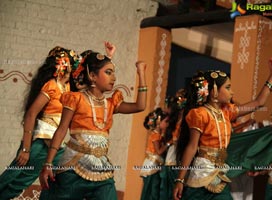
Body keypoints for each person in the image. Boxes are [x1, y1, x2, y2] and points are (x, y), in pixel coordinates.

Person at [39, 50, 147, 199]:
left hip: (101, 170)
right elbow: (62, 129)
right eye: (108, 72)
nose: (114, 78)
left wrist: (141, 74)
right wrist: (48, 164)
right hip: (73, 167)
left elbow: (140, 106)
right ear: (92, 76)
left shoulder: (110, 104)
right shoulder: (75, 99)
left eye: (114, 73)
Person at [173, 58, 272, 200]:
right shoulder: (200, 114)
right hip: (201, 175)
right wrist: (180, 180)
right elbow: (191, 147)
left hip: (219, 172)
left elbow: (259, 102)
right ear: (214, 91)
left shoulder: (227, 112)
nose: (232, 92)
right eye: (228, 88)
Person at [0, 46, 78, 199]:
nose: (73, 67)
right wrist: (26, 149)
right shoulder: (51, 85)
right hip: (40, 144)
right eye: (70, 62)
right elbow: (31, 114)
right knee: (13, 181)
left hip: (56, 147)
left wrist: (109, 56)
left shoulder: (68, 87)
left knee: (58, 180)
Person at [159, 89, 186, 200]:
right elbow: (162, 125)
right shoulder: (174, 119)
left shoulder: (187, 118)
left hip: (180, 156)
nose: (178, 101)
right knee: (167, 191)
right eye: (177, 99)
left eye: (180, 98)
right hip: (171, 156)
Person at [140, 107, 170, 200]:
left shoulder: (158, 134)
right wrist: (169, 143)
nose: (168, 124)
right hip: (152, 166)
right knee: (152, 191)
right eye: (166, 121)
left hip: (155, 165)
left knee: (153, 190)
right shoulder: (155, 135)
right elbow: (159, 151)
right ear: (158, 122)